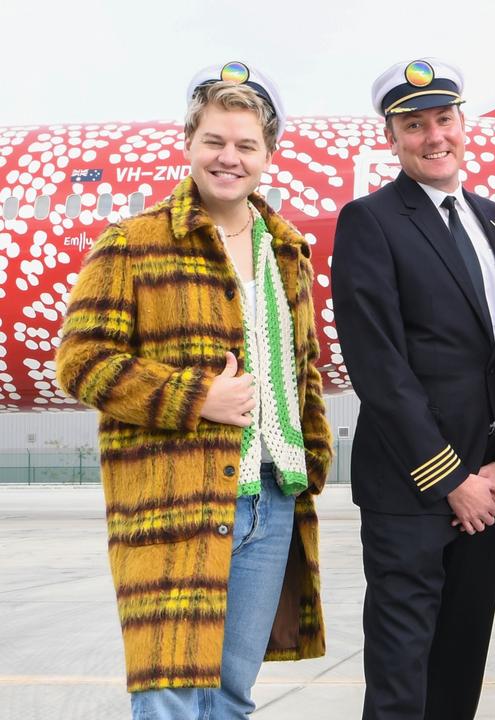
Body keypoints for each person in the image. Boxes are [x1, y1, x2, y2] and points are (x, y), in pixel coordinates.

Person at [54, 62, 332, 719]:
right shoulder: (132, 244)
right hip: (176, 501)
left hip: (270, 498)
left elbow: (304, 370)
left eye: (245, 145)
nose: (228, 158)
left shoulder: (287, 251)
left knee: (232, 695)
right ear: (189, 143)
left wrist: (310, 457)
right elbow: (81, 360)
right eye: (214, 141)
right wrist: (192, 398)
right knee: (172, 694)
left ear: (268, 155)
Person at [331, 57, 495, 720]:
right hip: (413, 491)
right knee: (401, 685)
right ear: (392, 138)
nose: (432, 136)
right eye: (413, 125)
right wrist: (452, 478)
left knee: (458, 675)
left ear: (461, 122)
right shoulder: (370, 220)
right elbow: (379, 365)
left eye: (442, 119)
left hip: (488, 488)